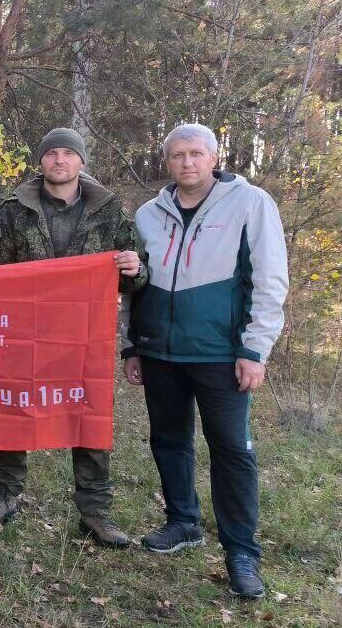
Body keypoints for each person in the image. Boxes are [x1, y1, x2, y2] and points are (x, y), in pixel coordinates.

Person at [123, 123, 288, 599]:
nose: (187, 162)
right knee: (168, 440)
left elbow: (270, 280)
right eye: (177, 155)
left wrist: (254, 349)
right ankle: (183, 521)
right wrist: (133, 345)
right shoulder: (148, 212)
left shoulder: (249, 203)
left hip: (221, 352)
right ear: (167, 161)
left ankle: (241, 552)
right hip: (160, 350)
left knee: (231, 450)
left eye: (196, 153)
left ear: (213, 157)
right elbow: (136, 282)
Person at [0, 127, 145, 547]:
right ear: (41, 162)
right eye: (51, 154)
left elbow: (139, 275)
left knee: (87, 415)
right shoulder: (14, 209)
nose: (59, 160)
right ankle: (4, 496)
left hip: (85, 334)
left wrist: (134, 268)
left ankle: (95, 510)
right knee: (13, 411)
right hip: (22, 332)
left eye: (67, 154)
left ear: (81, 162)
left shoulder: (108, 210)